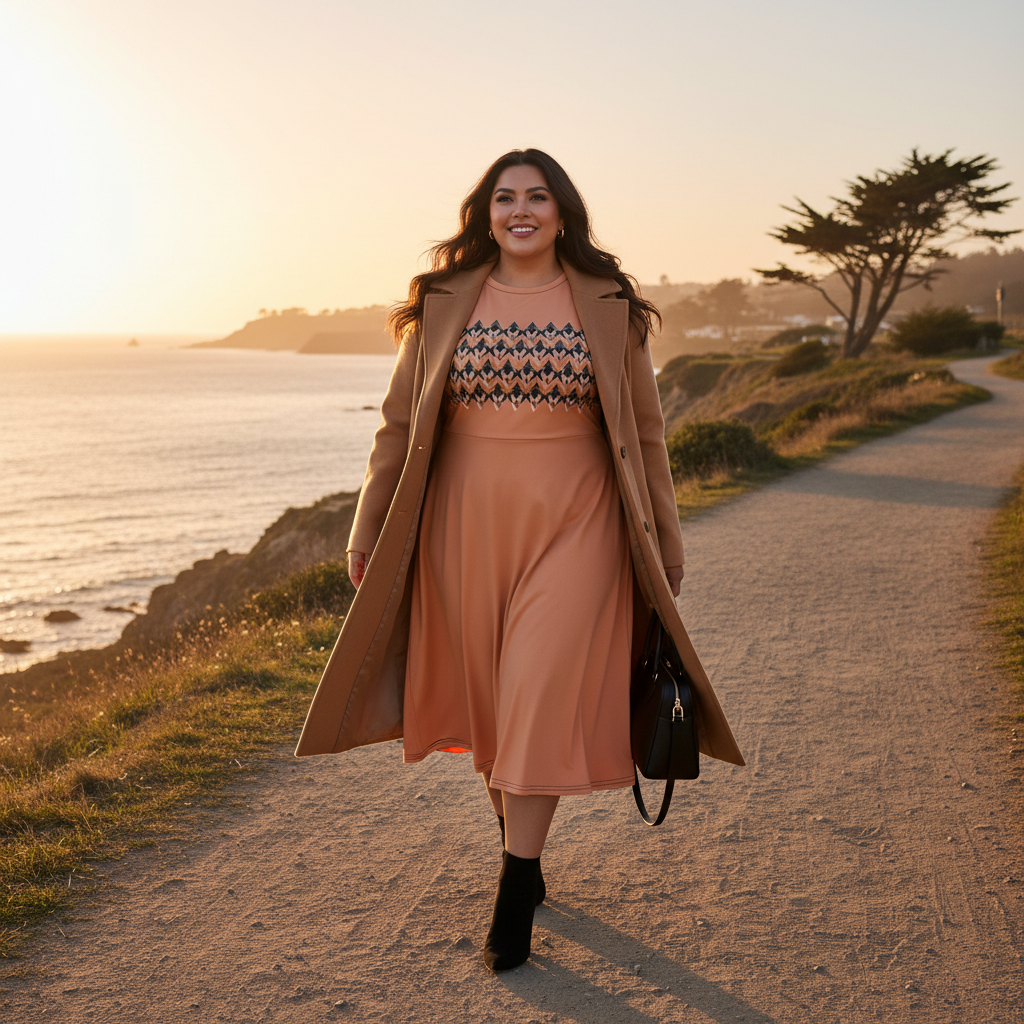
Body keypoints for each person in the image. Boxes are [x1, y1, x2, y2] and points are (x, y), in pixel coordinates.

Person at [295, 149, 743, 972]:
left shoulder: (611, 307)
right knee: (494, 704)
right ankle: (520, 844)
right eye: (504, 198)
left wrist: (667, 543)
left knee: (537, 691)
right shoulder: (441, 302)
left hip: (583, 527)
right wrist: (366, 529)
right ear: (485, 214)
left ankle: (516, 883)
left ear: (563, 212)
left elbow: (647, 436)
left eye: (537, 196)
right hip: (461, 531)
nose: (521, 209)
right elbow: (396, 426)